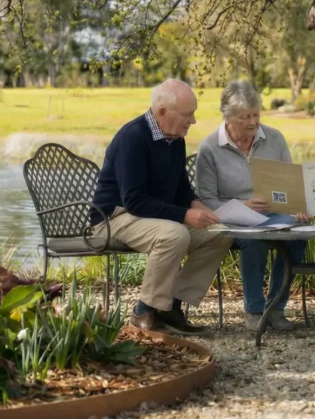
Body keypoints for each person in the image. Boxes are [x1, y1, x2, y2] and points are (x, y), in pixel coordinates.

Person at [89, 79, 234, 335]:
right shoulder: (133, 138)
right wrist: (185, 215)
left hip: (149, 217)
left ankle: (171, 307)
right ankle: (143, 312)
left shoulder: (175, 138)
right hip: (113, 218)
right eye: (188, 114)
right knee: (174, 234)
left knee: (219, 234)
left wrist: (196, 204)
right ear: (163, 112)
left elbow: (181, 187)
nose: (193, 121)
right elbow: (134, 201)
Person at [195, 81, 308, 331]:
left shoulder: (274, 138)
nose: (253, 122)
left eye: (256, 114)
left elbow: (290, 183)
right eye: (245, 117)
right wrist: (243, 205)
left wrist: (297, 205)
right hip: (232, 219)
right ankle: (254, 310)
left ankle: (276, 307)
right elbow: (207, 199)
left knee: (298, 234)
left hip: (273, 214)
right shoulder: (209, 148)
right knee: (254, 239)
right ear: (227, 116)